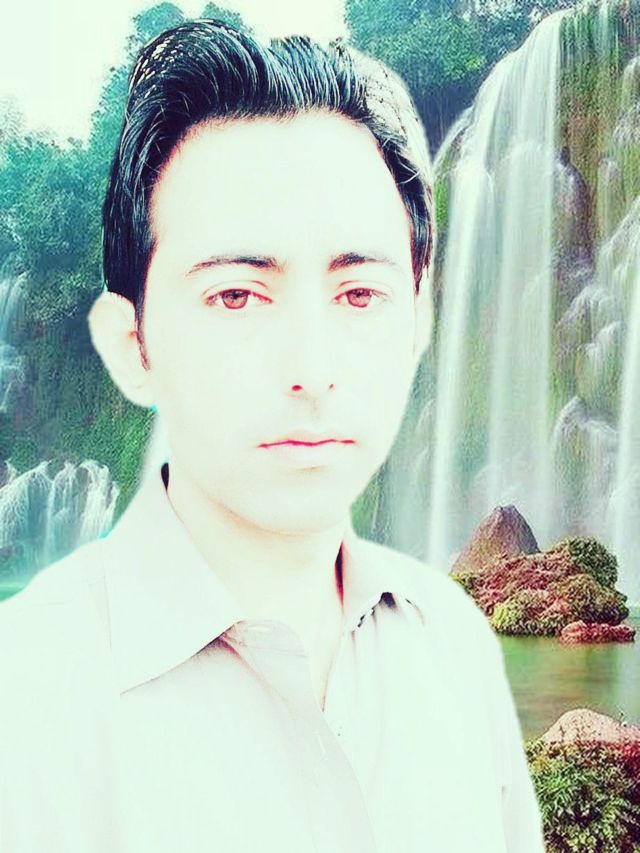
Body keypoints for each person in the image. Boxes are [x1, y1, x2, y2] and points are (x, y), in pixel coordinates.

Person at [0, 18, 546, 853]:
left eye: (358, 294)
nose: (312, 369)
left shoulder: (456, 647)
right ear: (132, 344)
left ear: (418, 323)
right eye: (237, 296)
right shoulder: (26, 696)